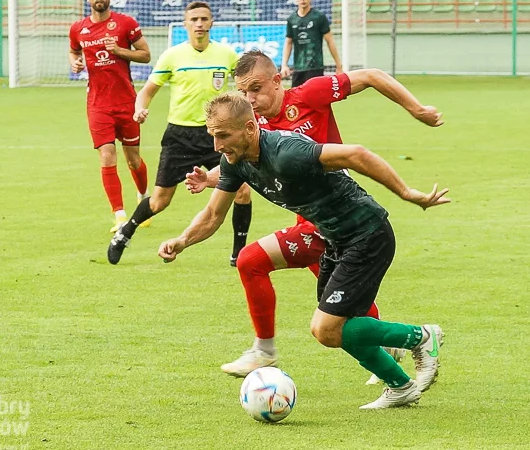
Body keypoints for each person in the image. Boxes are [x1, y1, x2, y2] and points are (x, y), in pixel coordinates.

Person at [161, 93, 449, 409]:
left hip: (367, 234)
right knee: (336, 330)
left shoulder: (287, 152)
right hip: (335, 240)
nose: (217, 146)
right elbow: (213, 215)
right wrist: (182, 240)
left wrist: (408, 193)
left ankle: (421, 337)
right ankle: (401, 386)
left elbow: (356, 154)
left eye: (223, 135)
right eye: (212, 135)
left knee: (326, 328)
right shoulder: (235, 163)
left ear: (249, 127)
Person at [107, 1, 252, 266]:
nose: (199, 23)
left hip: (216, 135)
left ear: (211, 23)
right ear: (185, 24)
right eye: (194, 19)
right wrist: (140, 109)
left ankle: (238, 253)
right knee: (161, 200)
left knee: (242, 189)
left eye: (204, 19)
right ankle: (125, 232)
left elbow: (245, 85)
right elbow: (148, 90)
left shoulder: (227, 55)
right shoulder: (173, 56)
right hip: (179, 136)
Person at [69, 0, 152, 232]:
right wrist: (75, 61)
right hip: (97, 104)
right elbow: (74, 50)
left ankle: (143, 198)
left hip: (127, 102)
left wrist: (119, 51)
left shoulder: (126, 24)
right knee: (106, 156)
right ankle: (119, 216)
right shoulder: (78, 29)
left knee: (133, 159)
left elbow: (146, 55)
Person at [280, 0, 343, 87]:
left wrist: (338, 65)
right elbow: (288, 42)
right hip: (298, 68)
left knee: (316, 100)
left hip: (316, 67)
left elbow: (330, 41)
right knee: (296, 101)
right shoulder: (292, 19)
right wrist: (284, 65)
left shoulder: (319, 17)